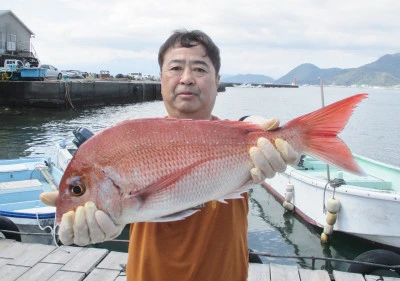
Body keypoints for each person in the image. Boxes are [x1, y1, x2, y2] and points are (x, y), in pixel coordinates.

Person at [41, 29, 299, 281]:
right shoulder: (133, 140)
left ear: (217, 81)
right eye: (175, 68)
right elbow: (119, 210)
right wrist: (107, 224)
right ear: (161, 79)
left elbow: (243, 127)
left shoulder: (245, 140)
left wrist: (268, 131)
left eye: (199, 69)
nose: (187, 78)